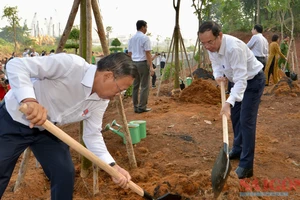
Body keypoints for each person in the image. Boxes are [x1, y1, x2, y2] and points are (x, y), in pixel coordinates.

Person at [0, 53, 137, 199]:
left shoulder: (101, 101)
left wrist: (112, 166)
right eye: (120, 89)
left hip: (47, 129)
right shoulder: (71, 66)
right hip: (12, 121)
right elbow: (16, 65)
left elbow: (92, 135)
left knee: (64, 172)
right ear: (108, 76)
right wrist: (29, 100)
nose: (119, 94)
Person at [198, 21, 265, 179]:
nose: (207, 46)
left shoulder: (234, 48)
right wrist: (218, 76)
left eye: (210, 42)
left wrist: (228, 102)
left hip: (252, 81)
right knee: (235, 116)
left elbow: (242, 81)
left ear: (219, 36)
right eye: (203, 43)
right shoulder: (211, 47)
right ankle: (237, 148)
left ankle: (246, 166)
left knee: (246, 120)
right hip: (236, 81)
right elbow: (215, 64)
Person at [128, 20, 154, 113]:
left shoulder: (131, 39)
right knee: (144, 86)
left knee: (135, 86)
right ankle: (142, 107)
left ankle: (135, 106)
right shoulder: (145, 38)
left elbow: (129, 53)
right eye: (146, 27)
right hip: (142, 63)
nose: (146, 29)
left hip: (134, 63)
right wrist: (151, 67)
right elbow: (148, 53)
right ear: (143, 27)